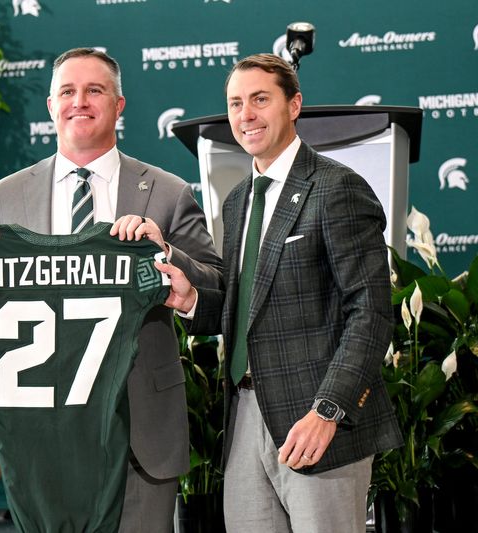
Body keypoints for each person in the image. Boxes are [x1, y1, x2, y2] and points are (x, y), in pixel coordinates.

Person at [0, 47, 224, 532]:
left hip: (141, 431)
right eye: (68, 91)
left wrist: (168, 255)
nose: (80, 101)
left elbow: (218, 293)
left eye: (95, 90)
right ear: (51, 106)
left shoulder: (166, 192)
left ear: (119, 105)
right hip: (46, 438)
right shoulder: (6, 196)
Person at [155, 53, 403, 532]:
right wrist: (192, 301)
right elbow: (248, 305)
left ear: (294, 106)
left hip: (317, 421)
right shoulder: (237, 200)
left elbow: (370, 312)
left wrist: (329, 410)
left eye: (260, 99)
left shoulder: (337, 188)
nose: (245, 114)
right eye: (235, 103)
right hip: (246, 417)